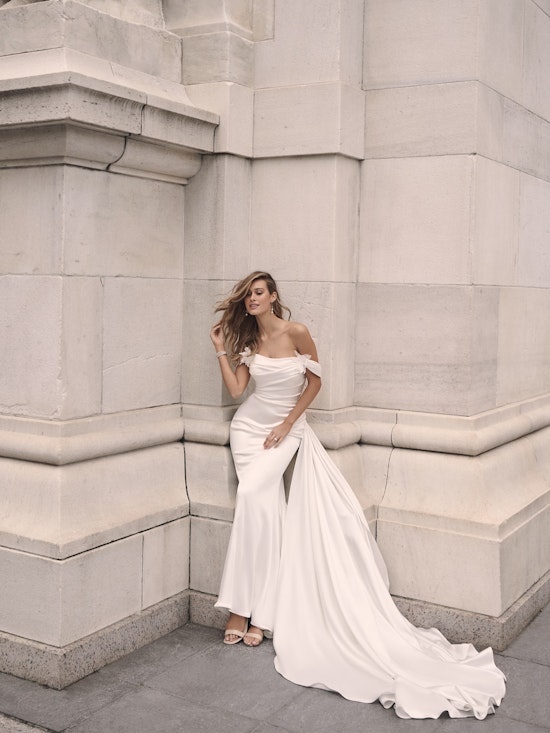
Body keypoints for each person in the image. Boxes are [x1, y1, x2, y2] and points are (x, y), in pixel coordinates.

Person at [210, 271, 506, 720]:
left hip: (284, 433)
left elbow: (314, 384)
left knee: (253, 498)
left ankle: (247, 609)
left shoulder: (297, 332)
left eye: (258, 293)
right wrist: (219, 347)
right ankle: (253, 612)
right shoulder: (249, 338)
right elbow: (237, 391)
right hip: (249, 431)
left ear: (273, 297)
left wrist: (289, 425)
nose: (251, 299)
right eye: (247, 294)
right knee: (263, 509)